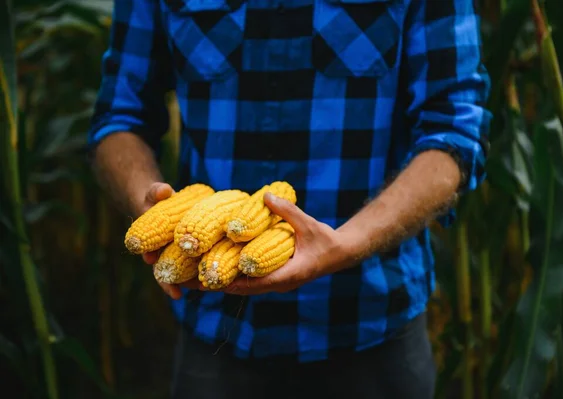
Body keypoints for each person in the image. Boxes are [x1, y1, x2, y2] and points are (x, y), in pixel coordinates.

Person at [88, 0, 491, 397]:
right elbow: (120, 118)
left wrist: (350, 242)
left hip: (371, 327)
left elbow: (453, 130)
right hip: (214, 328)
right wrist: (153, 208)